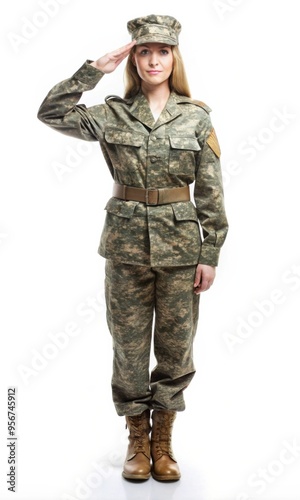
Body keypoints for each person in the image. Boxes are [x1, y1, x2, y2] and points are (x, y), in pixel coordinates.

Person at [37, 14, 228, 482]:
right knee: (128, 347)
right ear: (134, 58)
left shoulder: (196, 116)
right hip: (124, 249)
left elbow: (211, 192)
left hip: (182, 250)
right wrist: (93, 70)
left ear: (174, 56)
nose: (153, 60)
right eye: (144, 51)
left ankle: (164, 442)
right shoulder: (113, 113)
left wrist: (211, 253)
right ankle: (136, 442)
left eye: (162, 51)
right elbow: (50, 112)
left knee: (177, 348)